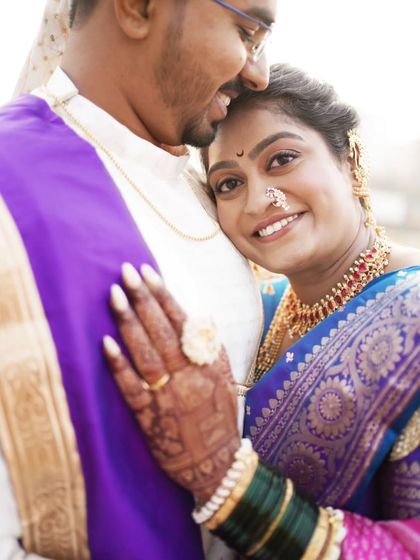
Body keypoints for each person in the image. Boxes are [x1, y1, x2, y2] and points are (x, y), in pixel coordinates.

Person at [104, 64, 420, 559]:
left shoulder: (412, 313)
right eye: (228, 184)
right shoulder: (257, 310)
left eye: (283, 159)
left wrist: (226, 478)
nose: (259, 201)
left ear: (350, 157)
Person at [0, 0, 278, 558]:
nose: (259, 73)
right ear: (138, 7)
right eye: (247, 31)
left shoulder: (215, 185)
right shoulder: (13, 185)